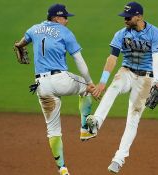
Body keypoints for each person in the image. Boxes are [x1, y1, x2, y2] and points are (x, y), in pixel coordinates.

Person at [14, 4, 96, 175]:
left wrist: (19, 47)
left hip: (41, 86)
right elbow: (80, 62)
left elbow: (21, 43)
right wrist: (90, 82)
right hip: (61, 80)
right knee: (86, 88)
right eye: (65, 17)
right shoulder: (65, 32)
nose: (67, 20)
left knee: (52, 130)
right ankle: (84, 129)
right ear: (57, 18)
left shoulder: (34, 28)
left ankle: (62, 168)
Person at [86, 1, 158, 174]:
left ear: (139, 17)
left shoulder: (155, 33)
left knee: (134, 117)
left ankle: (118, 159)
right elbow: (112, 58)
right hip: (127, 72)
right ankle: (96, 122)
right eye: (124, 16)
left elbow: (157, 59)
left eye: (128, 17)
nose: (125, 19)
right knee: (113, 87)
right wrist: (102, 81)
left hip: (145, 78)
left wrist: (156, 81)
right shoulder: (121, 34)